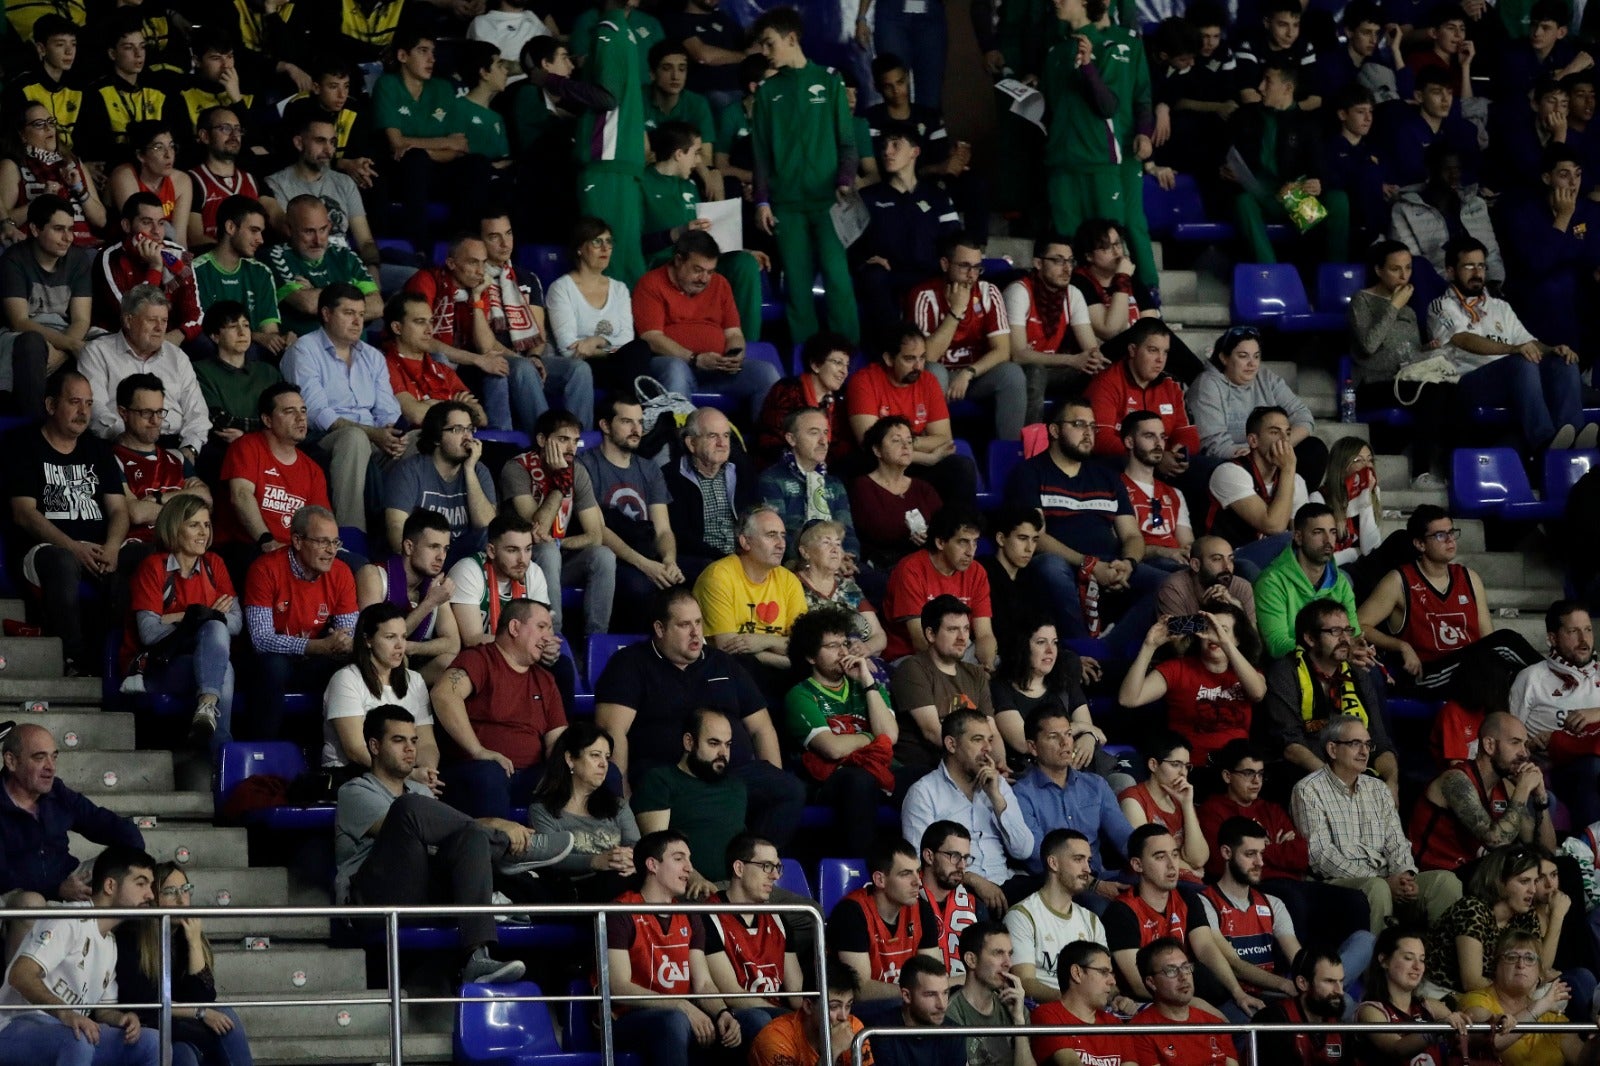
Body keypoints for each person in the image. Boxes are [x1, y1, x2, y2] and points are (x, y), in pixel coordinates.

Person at [334, 706, 534, 986]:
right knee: (408, 809)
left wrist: (476, 832)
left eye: (414, 741)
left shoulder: (421, 791)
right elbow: (403, 828)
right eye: (398, 740)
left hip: (424, 891)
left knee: (471, 837)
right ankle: (505, 847)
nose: (410, 749)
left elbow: (443, 836)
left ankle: (477, 957)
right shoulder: (354, 792)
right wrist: (496, 825)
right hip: (373, 901)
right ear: (375, 746)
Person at [594, 587, 804, 844]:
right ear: (660, 629)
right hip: (670, 778)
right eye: (684, 625)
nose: (695, 633)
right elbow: (612, 732)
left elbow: (761, 727)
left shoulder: (723, 663)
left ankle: (750, 858)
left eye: (698, 622)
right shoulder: (631, 663)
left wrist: (771, 774)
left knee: (789, 789)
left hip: (731, 773)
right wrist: (623, 799)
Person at [1003, 396, 1162, 641]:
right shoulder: (1030, 473)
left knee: (1172, 583)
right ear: (1054, 430)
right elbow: (1036, 537)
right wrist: (1089, 565)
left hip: (1110, 563)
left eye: (1092, 426)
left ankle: (1117, 641)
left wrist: (1128, 563)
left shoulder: (1107, 477)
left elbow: (1131, 534)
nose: (1088, 433)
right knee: (1050, 568)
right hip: (1064, 563)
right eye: (1079, 425)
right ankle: (1081, 647)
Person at [1291, 714, 1462, 935]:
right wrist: (1382, 880)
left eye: (1368, 744)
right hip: (1336, 883)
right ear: (1332, 749)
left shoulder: (1378, 789)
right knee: (1377, 888)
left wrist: (1404, 875)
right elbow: (1320, 856)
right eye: (1355, 744)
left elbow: (1396, 841)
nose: (1364, 752)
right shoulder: (1308, 790)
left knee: (1445, 882)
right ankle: (1377, 957)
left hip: (1386, 879)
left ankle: (1439, 956)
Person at [748, 7, 860, 345]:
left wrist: (844, 180)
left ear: (792, 39)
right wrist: (762, 201)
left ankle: (846, 357)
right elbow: (761, 154)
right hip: (787, 205)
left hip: (828, 203)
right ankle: (806, 360)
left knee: (838, 281)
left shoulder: (829, 80)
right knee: (796, 287)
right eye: (761, 45)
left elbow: (848, 143)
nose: (764, 51)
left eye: (769, 43)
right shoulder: (766, 92)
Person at [7, 368, 128, 674]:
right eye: (74, 402)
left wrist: (113, 547)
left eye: (88, 403)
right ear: (51, 405)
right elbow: (23, 513)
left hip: (98, 548)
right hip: (44, 549)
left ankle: (120, 662)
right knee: (61, 561)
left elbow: (119, 510)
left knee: (140, 558)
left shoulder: (98, 450)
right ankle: (73, 660)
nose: (83, 412)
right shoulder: (22, 445)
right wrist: (73, 548)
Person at [1198, 739, 1373, 945]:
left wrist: (1257, 850)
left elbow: (1301, 855)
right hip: (1253, 885)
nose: (1256, 781)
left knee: (1355, 900)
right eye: (1248, 773)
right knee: (1292, 900)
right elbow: (1220, 863)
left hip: (1292, 882)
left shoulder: (1271, 809)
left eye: (1260, 774)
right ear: (1227, 776)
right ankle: (1298, 965)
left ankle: (1344, 964)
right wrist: (1276, 847)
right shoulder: (1213, 810)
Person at [1360, 506, 1543, 700]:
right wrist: (1401, 646)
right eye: (1440, 535)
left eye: (1451, 532)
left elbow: (1488, 640)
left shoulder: (1469, 578)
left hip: (1473, 670)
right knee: (1506, 641)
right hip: (1429, 675)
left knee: (1515, 671)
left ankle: (1554, 683)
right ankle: (1555, 676)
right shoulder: (1399, 581)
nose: (1450, 540)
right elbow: (1359, 624)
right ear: (1420, 544)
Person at [0, 845, 159, 1066]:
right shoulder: (69, 919)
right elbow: (20, 974)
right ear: (110, 886)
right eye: (141, 884)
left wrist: (122, 1018)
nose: (150, 895)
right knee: (78, 1040)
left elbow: (104, 1011)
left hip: (67, 1030)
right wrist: (66, 1013)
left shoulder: (110, 943)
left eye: (150, 886)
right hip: (15, 1025)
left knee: (152, 1042)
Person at [0, 723, 145, 962]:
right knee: (31, 902)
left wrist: (123, 859)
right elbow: (4, 875)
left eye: (54, 757)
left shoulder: (57, 793)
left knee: (127, 874)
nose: (50, 767)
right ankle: (19, 984)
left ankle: (109, 974)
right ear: (11, 761)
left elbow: (105, 824)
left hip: (65, 880)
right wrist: (57, 888)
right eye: (40, 758)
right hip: (14, 893)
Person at [1429, 235, 1588, 453]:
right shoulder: (1441, 306)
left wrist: (1552, 349)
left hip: (1515, 380)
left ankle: (1572, 437)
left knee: (1563, 362)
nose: (1477, 273)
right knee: (1521, 362)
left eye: (1481, 266)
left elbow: (1527, 342)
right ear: (1450, 271)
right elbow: (1462, 338)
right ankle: (1544, 441)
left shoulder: (1500, 307)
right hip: (1467, 383)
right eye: (1468, 266)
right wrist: (1512, 350)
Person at [606, 829, 746, 1065]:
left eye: (689, 860)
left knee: (744, 1023)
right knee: (673, 1020)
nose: (689, 868)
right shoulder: (620, 912)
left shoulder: (690, 915)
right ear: (652, 865)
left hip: (679, 1015)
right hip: (627, 1019)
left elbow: (703, 983)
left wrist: (723, 1012)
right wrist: (680, 1005)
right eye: (679, 859)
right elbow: (619, 986)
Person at [1202, 816, 1373, 1004]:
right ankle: (1325, 996)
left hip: (1281, 993)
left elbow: (1297, 958)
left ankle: (1324, 993)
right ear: (1226, 853)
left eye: (1262, 853)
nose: (1260, 862)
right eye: (1250, 854)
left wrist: (1313, 982)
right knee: (1344, 1004)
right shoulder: (1205, 902)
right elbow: (1234, 965)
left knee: (1365, 941)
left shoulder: (1272, 903)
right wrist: (1285, 985)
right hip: (1245, 997)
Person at [280, 283, 406, 534]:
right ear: (326, 314)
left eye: (361, 314)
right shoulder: (305, 350)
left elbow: (387, 409)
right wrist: (372, 434)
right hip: (325, 439)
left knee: (424, 440)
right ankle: (351, 535)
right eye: (349, 313)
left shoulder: (372, 356)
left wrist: (390, 435)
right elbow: (315, 413)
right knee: (354, 438)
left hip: (375, 438)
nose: (358, 322)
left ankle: (407, 534)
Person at [430, 596, 566, 819]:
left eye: (550, 630)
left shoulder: (545, 680)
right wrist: (478, 751)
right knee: (491, 772)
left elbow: (557, 740)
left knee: (592, 773)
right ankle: (498, 839)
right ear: (514, 627)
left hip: (529, 777)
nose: (548, 637)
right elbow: (444, 695)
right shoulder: (479, 659)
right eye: (541, 627)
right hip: (477, 771)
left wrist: (568, 769)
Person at [122, 496, 239, 749]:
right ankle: (220, 753)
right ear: (174, 528)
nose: (203, 532)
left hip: (202, 659)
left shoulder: (214, 565)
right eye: (194, 525)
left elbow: (236, 623)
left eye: (206, 525)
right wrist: (196, 615)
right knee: (220, 656)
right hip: (157, 664)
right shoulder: (154, 567)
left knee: (217, 634)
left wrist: (183, 617)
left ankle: (207, 708)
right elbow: (149, 633)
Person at [400, 233, 545, 437]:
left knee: (497, 365)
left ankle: (501, 437)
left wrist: (477, 298)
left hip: (462, 364)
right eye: (473, 262)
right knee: (442, 358)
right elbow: (422, 341)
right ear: (451, 263)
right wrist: (477, 360)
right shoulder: (426, 281)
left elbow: (485, 346)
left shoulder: (478, 287)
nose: (480, 271)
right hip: (429, 360)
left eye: (483, 263)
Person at [1103, 825, 1255, 1017]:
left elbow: (1206, 949)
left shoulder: (1187, 897)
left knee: (1242, 1010)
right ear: (1137, 865)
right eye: (1160, 857)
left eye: (1175, 855)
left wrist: (1238, 993)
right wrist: (1196, 1004)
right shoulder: (1121, 911)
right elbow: (1138, 984)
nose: (1172, 864)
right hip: (1151, 1002)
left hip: (1186, 989)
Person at [784, 608, 902, 857]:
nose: (843, 652)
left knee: (925, 778)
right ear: (811, 656)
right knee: (860, 781)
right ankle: (862, 869)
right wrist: (871, 737)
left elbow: (890, 737)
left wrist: (867, 682)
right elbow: (833, 748)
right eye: (832, 646)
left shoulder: (867, 687)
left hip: (881, 768)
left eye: (845, 644)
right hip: (833, 778)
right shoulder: (801, 695)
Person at [114, 861, 252, 1066]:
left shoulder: (185, 934)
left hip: (181, 1027)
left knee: (223, 1017)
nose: (181, 899)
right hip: (146, 1026)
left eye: (185, 889)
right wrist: (200, 1013)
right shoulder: (132, 936)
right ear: (153, 897)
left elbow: (204, 997)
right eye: (170, 892)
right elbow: (146, 1001)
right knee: (185, 1054)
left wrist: (194, 943)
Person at [634, 230, 779, 423]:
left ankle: (769, 440)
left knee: (766, 373)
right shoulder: (651, 283)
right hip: (672, 364)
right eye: (698, 270)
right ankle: (678, 440)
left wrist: (734, 355)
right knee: (675, 369)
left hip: (717, 368)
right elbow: (651, 337)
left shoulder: (720, 284)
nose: (704, 279)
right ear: (678, 260)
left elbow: (734, 333)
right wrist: (694, 358)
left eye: (710, 272)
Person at [1260, 598, 1399, 797]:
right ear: (1310, 638)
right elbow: (1291, 745)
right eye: (1335, 631)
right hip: (1307, 777)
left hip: (1356, 775)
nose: (1345, 639)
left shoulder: (1358, 675)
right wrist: (1335, 782)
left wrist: (1392, 781)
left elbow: (1379, 741)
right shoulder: (1285, 673)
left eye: (1348, 631)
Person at [902, 707, 1036, 913]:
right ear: (951, 744)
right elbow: (921, 862)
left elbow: (1023, 850)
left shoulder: (998, 785)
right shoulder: (923, 793)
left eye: (990, 740)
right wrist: (972, 879)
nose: (988, 748)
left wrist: (996, 798)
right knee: (980, 912)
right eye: (977, 740)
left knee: (1056, 894)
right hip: (957, 890)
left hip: (1004, 882)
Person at [242, 504, 358, 740]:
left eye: (335, 542)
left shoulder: (341, 572)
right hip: (270, 661)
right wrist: (317, 646)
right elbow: (261, 640)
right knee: (273, 666)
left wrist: (343, 643)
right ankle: (264, 751)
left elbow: (349, 632)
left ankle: (332, 753)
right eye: (322, 542)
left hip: (313, 661)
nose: (331, 550)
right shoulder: (265, 569)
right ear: (297, 540)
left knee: (350, 666)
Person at [500, 409, 616, 639]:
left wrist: (559, 543)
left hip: (557, 558)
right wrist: (559, 485)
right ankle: (554, 636)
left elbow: (595, 536)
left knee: (603, 555)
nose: (571, 448)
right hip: (523, 561)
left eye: (575, 441)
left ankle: (596, 640)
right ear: (542, 440)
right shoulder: (517, 468)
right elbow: (538, 530)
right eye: (563, 439)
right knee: (547, 551)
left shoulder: (577, 471)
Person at [371, 28, 491, 249]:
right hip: (401, 171)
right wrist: (443, 143)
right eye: (423, 51)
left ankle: (462, 244)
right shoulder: (387, 85)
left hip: (437, 168)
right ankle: (420, 248)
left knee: (478, 164)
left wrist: (423, 149)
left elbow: (460, 146)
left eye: (433, 52)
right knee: (415, 160)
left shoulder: (442, 88)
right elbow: (396, 143)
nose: (431, 59)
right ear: (403, 56)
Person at [1425, 845, 1589, 1007]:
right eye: (1524, 881)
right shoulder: (1472, 909)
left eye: (1534, 881)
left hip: (1497, 990)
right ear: (1500, 882)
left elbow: (1540, 968)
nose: (1532, 890)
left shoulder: (1525, 915)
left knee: (1561, 995)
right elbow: (1472, 982)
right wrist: (1519, 992)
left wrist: (1557, 917)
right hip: (1446, 993)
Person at [1348, 240, 1453, 488]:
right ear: (1379, 270)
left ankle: (1453, 470)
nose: (1404, 276)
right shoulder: (1362, 301)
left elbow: (1407, 352)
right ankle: (1420, 473)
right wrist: (1393, 306)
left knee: (1452, 390)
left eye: (1408, 268)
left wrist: (1427, 349)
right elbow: (1369, 345)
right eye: (1396, 269)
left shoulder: (1409, 310)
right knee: (1433, 392)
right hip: (1372, 385)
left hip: (1404, 381)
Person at [905, 233, 1028, 443]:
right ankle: (934, 444)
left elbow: (1002, 350)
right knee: (935, 372)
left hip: (973, 375)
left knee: (1012, 374)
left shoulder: (988, 292)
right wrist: (956, 311)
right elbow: (926, 357)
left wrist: (968, 373)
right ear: (945, 264)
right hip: (938, 375)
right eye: (964, 266)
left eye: (977, 268)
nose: (972, 275)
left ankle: (1008, 451)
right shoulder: (924, 295)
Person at [578, 396, 685, 632]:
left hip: (646, 552)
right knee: (640, 587)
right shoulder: (585, 465)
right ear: (605, 425)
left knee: (701, 572)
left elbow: (663, 530)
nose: (637, 429)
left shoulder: (650, 468)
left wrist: (669, 561)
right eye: (627, 422)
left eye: (639, 422)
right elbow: (598, 530)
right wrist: (645, 565)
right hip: (610, 557)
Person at [855, 120, 961, 351]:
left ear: (915, 152)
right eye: (884, 146)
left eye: (895, 145)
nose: (887, 151)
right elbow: (850, 244)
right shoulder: (868, 196)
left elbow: (955, 240)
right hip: (888, 276)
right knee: (873, 276)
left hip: (928, 273)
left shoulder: (937, 196)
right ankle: (892, 351)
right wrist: (865, 260)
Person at [1013, 704, 1133, 906]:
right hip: (1059, 884)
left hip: (1101, 875)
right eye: (1053, 737)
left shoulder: (1095, 785)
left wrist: (1152, 857)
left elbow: (1124, 837)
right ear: (1033, 747)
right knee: (1104, 907)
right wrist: (1092, 884)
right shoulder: (1022, 794)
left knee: (1164, 887)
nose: (1065, 742)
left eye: (1068, 734)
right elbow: (1039, 857)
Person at [1119, 608, 1265, 771]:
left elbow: (1258, 693)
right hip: (1190, 768)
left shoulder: (1247, 672)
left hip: (1238, 771)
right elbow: (1128, 699)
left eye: (1222, 630)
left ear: (1237, 639)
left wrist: (1224, 643)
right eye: (1208, 629)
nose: (1213, 635)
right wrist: (1149, 646)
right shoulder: (1178, 669)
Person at [1411, 713, 1556, 872]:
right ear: (1489, 745)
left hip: (1478, 873)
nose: (1525, 753)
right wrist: (1523, 789)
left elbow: (1546, 853)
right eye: (1515, 743)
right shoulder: (1455, 781)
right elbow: (1496, 841)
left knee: (1565, 866)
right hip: (1440, 874)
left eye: (1525, 745)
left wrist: (1541, 799)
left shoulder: (1506, 786)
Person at [77, 284, 209, 456]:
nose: (159, 328)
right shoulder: (98, 352)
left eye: (164, 321)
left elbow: (197, 412)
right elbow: (95, 409)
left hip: (175, 445)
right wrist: (130, 440)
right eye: (152, 320)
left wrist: (190, 449)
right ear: (128, 321)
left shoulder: (177, 357)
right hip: (120, 444)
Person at [1189, 326, 1327, 487]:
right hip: (1234, 458)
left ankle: (1295, 499)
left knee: (1313, 449)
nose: (1252, 364)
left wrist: (1279, 446)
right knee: (1231, 469)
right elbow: (1214, 444)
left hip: (1268, 451)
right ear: (1224, 358)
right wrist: (1255, 454)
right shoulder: (1207, 385)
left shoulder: (1266, 377)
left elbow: (1303, 416)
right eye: (1243, 356)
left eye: (1256, 356)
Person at [215, 383, 331, 574]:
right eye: (289, 411)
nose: (300, 417)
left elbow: (319, 522)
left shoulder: (313, 469)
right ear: (267, 420)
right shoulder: (247, 446)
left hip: (294, 553)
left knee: (355, 566)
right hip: (248, 546)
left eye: (303, 410)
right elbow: (241, 495)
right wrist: (266, 540)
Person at [634, 707, 749, 900]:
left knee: (801, 909)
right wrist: (694, 878)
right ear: (689, 742)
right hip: (690, 888)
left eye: (728, 745)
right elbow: (657, 847)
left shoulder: (736, 787)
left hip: (738, 887)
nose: (723, 753)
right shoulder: (661, 780)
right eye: (714, 743)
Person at [1510, 601, 1600, 828]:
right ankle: (1589, 844)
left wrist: (1596, 713)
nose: (1584, 639)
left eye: (1588, 630)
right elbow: (1509, 741)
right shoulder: (1531, 678)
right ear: (1552, 638)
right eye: (1573, 631)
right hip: (1553, 772)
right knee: (1593, 767)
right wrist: (1531, 744)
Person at [0, 194, 92, 416]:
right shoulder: (14, 259)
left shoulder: (78, 259)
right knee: (32, 343)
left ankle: (98, 424)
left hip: (65, 332)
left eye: (71, 229)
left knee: (107, 343)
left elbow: (81, 319)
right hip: (23, 333)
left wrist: (62, 351)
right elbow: (19, 321)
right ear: (35, 229)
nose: (68, 238)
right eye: (59, 229)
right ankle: (33, 425)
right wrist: (69, 346)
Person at [528, 721, 640, 902]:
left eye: (607, 757)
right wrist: (595, 861)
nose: (604, 764)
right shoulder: (543, 810)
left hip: (620, 881)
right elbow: (549, 858)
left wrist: (632, 860)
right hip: (572, 891)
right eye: (595, 755)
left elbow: (635, 845)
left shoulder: (617, 806)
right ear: (570, 759)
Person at [322, 602, 439, 776]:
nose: (400, 645)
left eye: (403, 637)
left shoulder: (415, 680)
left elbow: (426, 743)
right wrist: (408, 775)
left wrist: (428, 772)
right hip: (353, 774)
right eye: (390, 637)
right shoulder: (346, 679)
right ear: (368, 640)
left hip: (402, 774)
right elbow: (355, 750)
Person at [703, 833, 804, 1030]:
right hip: (738, 1018)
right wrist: (788, 1020)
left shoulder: (778, 919)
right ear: (739, 868)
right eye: (766, 866)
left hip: (778, 1017)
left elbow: (796, 993)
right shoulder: (708, 917)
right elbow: (732, 994)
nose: (775, 876)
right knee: (759, 1019)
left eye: (777, 868)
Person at [264, 115, 385, 278]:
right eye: (320, 141)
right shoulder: (276, 184)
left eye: (332, 142)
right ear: (299, 143)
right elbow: (291, 238)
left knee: (409, 276)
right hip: (305, 270)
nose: (328, 150)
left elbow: (366, 242)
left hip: (348, 266)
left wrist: (373, 272)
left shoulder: (344, 182)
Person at [543, 217, 654, 394]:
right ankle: (643, 407)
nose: (605, 248)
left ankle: (629, 406)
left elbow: (627, 339)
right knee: (633, 361)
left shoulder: (619, 289)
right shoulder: (561, 288)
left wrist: (597, 341)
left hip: (619, 361)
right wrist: (614, 351)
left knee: (640, 348)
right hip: (583, 367)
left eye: (609, 242)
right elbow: (568, 348)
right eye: (597, 242)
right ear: (579, 248)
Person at [826, 837, 943, 1003]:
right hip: (860, 1011)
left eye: (918, 872)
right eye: (906, 874)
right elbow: (860, 990)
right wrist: (916, 993)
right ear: (880, 880)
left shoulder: (922, 909)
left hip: (906, 1002)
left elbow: (934, 976)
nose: (917, 882)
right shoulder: (851, 913)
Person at [1006, 234, 1106, 426]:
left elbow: (1091, 349)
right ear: (1038, 263)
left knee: (1098, 372)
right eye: (1058, 261)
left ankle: (1088, 435)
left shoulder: (1073, 294)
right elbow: (1017, 354)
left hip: (1054, 369)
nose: (1067, 268)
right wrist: (1071, 359)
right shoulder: (1019, 292)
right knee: (1035, 371)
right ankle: (1032, 441)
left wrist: (1095, 359)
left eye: (1070, 261)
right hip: (1019, 372)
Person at [889, 596, 997, 773]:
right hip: (924, 769)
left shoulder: (975, 673)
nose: (963, 638)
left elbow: (992, 731)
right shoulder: (912, 668)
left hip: (969, 764)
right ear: (930, 634)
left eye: (966, 629)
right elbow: (932, 731)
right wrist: (978, 763)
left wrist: (999, 765)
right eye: (953, 629)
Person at [381, 402, 496, 566]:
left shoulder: (478, 470)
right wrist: (417, 569)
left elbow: (487, 527)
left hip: (461, 557)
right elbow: (396, 527)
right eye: (457, 430)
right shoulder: (409, 471)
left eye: (469, 429)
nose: (467, 437)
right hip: (423, 555)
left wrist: (469, 469)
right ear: (436, 438)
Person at [354, 509, 461, 684]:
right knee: (398, 662)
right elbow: (373, 636)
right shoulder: (374, 575)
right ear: (409, 547)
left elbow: (453, 644)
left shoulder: (436, 586)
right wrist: (429, 603)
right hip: (375, 668)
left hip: (414, 667)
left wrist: (411, 647)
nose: (441, 557)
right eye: (433, 547)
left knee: (452, 664)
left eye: (445, 549)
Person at [1460, 928, 1592, 1066]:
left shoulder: (1551, 1017)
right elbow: (1493, 1041)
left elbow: (1585, 1062)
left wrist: (1596, 1042)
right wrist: (1538, 1008)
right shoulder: (1477, 1000)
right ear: (1496, 968)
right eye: (1511, 957)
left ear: (1539, 974)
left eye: (1529, 958)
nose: (1521, 964)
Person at [1005, 830, 1110, 1002]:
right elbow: (1024, 982)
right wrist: (1073, 1001)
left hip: (1085, 1008)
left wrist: (1117, 997)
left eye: (1088, 861)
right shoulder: (1022, 915)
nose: (1087, 869)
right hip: (1042, 1010)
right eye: (1078, 859)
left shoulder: (1091, 920)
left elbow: (1106, 979)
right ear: (1053, 863)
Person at [989, 619, 1105, 774]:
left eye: (1054, 642)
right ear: (1021, 647)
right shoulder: (1000, 687)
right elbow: (1023, 742)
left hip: (1075, 770)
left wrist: (1089, 737)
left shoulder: (1064, 681)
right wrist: (1081, 728)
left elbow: (1088, 727)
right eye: (1041, 642)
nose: (1050, 650)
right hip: (1031, 776)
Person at [882, 506, 995, 665]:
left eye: (975, 542)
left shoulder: (977, 572)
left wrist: (987, 667)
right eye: (963, 542)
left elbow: (985, 635)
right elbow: (920, 640)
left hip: (959, 651)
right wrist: (961, 673)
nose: (971, 552)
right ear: (940, 542)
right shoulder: (911, 569)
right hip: (911, 657)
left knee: (1001, 666)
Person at [1253, 502, 1366, 659]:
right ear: (1299, 537)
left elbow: (1353, 634)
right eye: (1318, 532)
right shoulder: (1271, 582)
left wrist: (1357, 649)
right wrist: (1327, 650)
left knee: (1370, 669)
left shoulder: (1341, 583)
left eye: (1333, 532)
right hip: (1293, 666)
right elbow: (1277, 645)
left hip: (1335, 660)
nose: (1328, 540)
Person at [110, 373, 209, 550]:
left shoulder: (177, 457)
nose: (155, 421)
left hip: (185, 548)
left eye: (160, 412)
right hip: (141, 547)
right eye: (146, 413)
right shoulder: (112, 458)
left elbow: (206, 499)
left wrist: (159, 498)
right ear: (123, 413)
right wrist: (188, 510)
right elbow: (135, 513)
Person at [91, 192, 201, 350]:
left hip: (168, 336)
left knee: (204, 345)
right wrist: (155, 268)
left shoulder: (177, 255)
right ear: (126, 225)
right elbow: (130, 318)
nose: (157, 231)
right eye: (147, 222)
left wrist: (178, 335)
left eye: (161, 223)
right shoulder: (109, 257)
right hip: (120, 339)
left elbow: (195, 314)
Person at [1206, 406, 1309, 571]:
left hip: (1275, 559)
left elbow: (1304, 534)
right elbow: (1273, 526)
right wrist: (1288, 468)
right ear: (1253, 441)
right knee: (1287, 540)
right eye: (1275, 432)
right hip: (1231, 559)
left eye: (1288, 433)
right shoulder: (1229, 472)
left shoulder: (1294, 480)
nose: (1284, 440)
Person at [1082, 321, 1195, 466]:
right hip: (1119, 466)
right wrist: (1155, 459)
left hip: (1168, 464)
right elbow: (1100, 440)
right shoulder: (1105, 383)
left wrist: (1180, 454)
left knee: (1215, 468)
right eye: (1153, 350)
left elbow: (1187, 434)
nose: (1160, 359)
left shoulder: (1172, 385)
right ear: (1133, 350)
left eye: (1165, 352)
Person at [1356, 926, 1473, 1065]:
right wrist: (1437, 1029)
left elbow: (1467, 1040)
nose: (1417, 966)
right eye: (1408, 958)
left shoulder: (1431, 1007)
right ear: (1384, 960)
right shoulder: (1370, 1010)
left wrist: (1492, 1026)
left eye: (1422, 959)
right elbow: (1397, 1049)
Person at [268, 195, 379, 340]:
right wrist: (352, 294)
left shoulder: (345, 256)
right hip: (309, 349)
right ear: (289, 229)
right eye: (309, 231)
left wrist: (317, 291)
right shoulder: (276, 257)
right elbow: (309, 304)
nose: (318, 240)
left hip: (355, 348)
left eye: (323, 230)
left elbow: (377, 306)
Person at [848, 413, 947, 576]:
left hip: (924, 566)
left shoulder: (923, 488)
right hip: (882, 568)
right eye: (896, 440)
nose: (905, 446)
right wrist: (910, 535)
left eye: (909, 441)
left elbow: (945, 528)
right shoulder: (862, 486)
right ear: (877, 450)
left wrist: (930, 536)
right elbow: (878, 531)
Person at [758, 408, 859, 564]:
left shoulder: (834, 483)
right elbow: (777, 537)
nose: (823, 441)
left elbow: (848, 533)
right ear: (792, 439)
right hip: (795, 564)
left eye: (825, 433)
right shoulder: (772, 480)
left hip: (836, 562)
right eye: (814, 433)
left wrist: (848, 558)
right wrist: (820, 560)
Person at [0, 102, 104, 251]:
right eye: (39, 124)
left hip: (82, 245)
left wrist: (79, 189)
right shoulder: (13, 164)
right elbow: (5, 222)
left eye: (51, 122)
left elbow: (101, 220)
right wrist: (40, 202)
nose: (48, 128)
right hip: (38, 249)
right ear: (22, 134)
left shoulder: (72, 162)